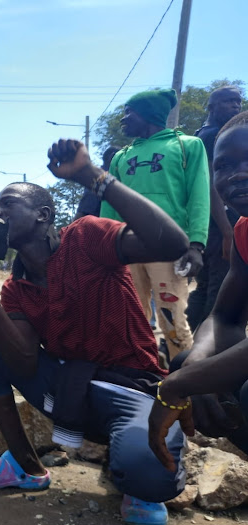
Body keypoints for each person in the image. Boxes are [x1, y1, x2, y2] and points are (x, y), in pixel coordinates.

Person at [0, 139, 189, 525]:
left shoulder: (87, 237)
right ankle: (24, 463)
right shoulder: (16, 287)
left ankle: (136, 466)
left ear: (43, 215)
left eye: (8, 203)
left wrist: (93, 176)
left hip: (130, 389)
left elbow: (172, 243)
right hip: (68, 391)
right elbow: (23, 361)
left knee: (147, 474)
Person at [149, 110, 248, 470]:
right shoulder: (243, 232)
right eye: (223, 166)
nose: (236, 174)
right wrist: (193, 367)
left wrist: (179, 386)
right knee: (185, 363)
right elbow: (226, 318)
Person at [100, 88, 210, 363]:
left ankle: (184, 385)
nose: (123, 119)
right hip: (127, 249)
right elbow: (109, 207)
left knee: (172, 320)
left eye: (129, 113)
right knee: (129, 318)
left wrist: (196, 244)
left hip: (169, 250)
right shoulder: (120, 157)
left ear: (148, 115)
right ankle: (141, 373)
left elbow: (199, 195)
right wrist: (104, 249)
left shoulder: (187, 145)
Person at [186, 86, 244, 331]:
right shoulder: (214, 136)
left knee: (204, 284)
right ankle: (207, 345)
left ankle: (185, 341)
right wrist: (228, 231)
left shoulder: (199, 135)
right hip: (218, 222)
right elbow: (210, 183)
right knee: (219, 287)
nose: (235, 106)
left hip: (201, 223)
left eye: (238, 102)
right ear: (210, 106)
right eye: (228, 101)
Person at [73, 145, 120, 221]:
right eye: (120, 157)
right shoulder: (101, 179)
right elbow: (84, 211)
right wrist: (72, 230)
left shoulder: (105, 177)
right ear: (112, 157)